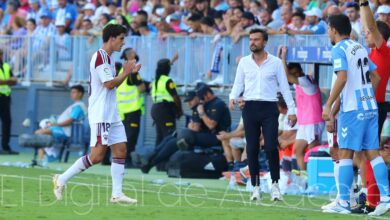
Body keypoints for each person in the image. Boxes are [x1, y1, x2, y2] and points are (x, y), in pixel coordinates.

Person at [52, 24, 141, 204]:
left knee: (121, 149)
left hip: (111, 113)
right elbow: (109, 84)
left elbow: (111, 84)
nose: (123, 43)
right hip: (100, 113)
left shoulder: (107, 58)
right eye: (121, 38)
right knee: (97, 156)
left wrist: (127, 73)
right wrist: (126, 72)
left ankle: (117, 193)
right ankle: (61, 179)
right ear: (111, 38)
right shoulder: (100, 57)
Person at [322, 14, 390, 216]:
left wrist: (328, 105)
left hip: (353, 109)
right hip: (370, 106)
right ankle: (386, 199)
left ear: (333, 29)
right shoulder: (359, 47)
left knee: (345, 152)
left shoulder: (338, 49)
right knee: (372, 152)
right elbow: (376, 76)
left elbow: (342, 78)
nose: (328, 32)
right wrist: (367, 94)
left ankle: (343, 201)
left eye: (328, 28)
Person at [229, 28, 297, 202]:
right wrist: (232, 97)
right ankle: (256, 187)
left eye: (256, 39)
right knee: (251, 148)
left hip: (269, 107)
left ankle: (275, 185)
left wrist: (292, 109)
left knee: (271, 147)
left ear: (265, 42)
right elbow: (238, 83)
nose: (252, 42)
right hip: (250, 107)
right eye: (251, 39)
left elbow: (284, 86)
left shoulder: (274, 63)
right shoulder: (244, 62)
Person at [352, 0, 390, 214]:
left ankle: (375, 200)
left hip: (375, 107)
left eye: (368, 34)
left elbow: (372, 27)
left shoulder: (384, 51)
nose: (365, 35)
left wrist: (364, 4)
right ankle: (369, 197)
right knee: (364, 154)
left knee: (370, 154)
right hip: (369, 106)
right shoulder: (374, 52)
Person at [280, 47, 324, 176]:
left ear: (299, 71)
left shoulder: (306, 82)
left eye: (293, 73)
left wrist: (282, 57)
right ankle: (305, 177)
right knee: (298, 150)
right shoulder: (299, 83)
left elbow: (286, 76)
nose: (292, 77)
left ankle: (312, 177)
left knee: (311, 150)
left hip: (313, 122)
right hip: (305, 123)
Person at [141, 90, 200, 174]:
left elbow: (196, 128)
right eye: (187, 101)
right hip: (190, 136)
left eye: (190, 100)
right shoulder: (195, 110)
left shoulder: (199, 109)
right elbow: (191, 127)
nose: (188, 103)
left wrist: (191, 126)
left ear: (197, 98)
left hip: (196, 139)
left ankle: (151, 162)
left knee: (173, 143)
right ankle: (151, 155)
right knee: (169, 138)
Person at [35, 85, 87, 162]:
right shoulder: (75, 105)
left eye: (74, 92)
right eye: (71, 92)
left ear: (80, 93)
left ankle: (51, 154)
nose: (71, 94)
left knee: (40, 133)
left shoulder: (78, 106)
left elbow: (70, 121)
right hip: (60, 129)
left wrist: (55, 124)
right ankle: (44, 157)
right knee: (38, 132)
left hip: (66, 132)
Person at [177, 85, 231, 151]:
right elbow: (195, 126)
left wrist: (202, 113)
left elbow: (211, 125)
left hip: (217, 136)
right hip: (205, 134)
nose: (200, 99)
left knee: (187, 135)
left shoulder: (218, 104)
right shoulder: (204, 104)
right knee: (175, 138)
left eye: (201, 96)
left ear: (208, 94)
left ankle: (186, 157)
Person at [116, 48, 146, 168]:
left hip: (122, 110)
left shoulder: (121, 72)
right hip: (132, 110)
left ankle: (121, 159)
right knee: (131, 137)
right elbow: (141, 88)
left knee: (124, 137)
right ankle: (126, 161)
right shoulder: (132, 73)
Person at [150, 56, 182, 146]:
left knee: (160, 136)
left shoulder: (156, 80)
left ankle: (156, 158)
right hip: (164, 110)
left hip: (156, 109)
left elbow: (165, 65)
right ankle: (166, 158)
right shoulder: (167, 80)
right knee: (170, 135)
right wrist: (180, 110)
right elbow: (175, 97)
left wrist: (172, 60)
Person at [0, 49, 18, 155]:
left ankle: (5, 147)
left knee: (7, 122)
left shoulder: (6, 66)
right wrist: (8, 81)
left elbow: (14, 80)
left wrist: (4, 82)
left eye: (1, 54)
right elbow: (10, 80)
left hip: (5, 98)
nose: (1, 56)